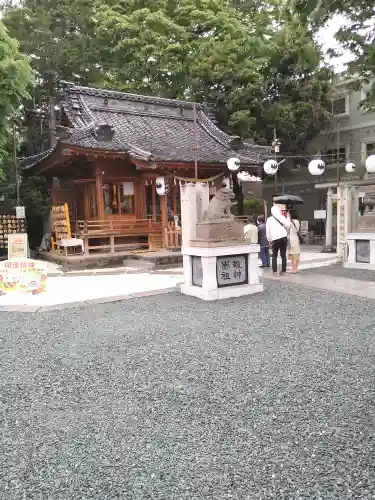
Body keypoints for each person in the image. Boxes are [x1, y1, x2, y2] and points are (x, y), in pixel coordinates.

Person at [266, 204, 291, 275]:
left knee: (274, 255)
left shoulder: (269, 219)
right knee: (283, 255)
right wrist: (288, 218)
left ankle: (274, 271)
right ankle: (283, 270)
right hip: (283, 237)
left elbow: (268, 230)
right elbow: (288, 225)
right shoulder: (282, 217)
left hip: (274, 239)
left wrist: (269, 240)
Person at [288, 208, 301, 274]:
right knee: (296, 254)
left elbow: (288, 230)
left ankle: (293, 269)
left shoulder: (290, 222)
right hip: (296, 238)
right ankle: (295, 269)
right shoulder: (297, 221)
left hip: (291, 239)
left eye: (289, 214)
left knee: (293, 255)